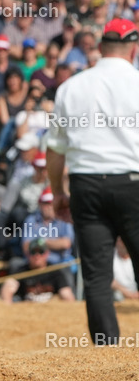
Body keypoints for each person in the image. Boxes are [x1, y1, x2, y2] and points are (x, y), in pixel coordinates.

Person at [46, 18, 139, 344]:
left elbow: (55, 150)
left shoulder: (72, 86)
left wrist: (58, 192)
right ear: (134, 49)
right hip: (132, 183)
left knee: (97, 277)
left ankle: (106, 353)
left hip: (86, 185)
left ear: (100, 49)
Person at [0, 238, 75, 304]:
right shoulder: (21, 271)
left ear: (46, 254)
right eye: (33, 252)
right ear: (28, 254)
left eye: (41, 252)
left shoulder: (55, 271)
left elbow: (67, 294)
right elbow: (8, 289)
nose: (37, 256)